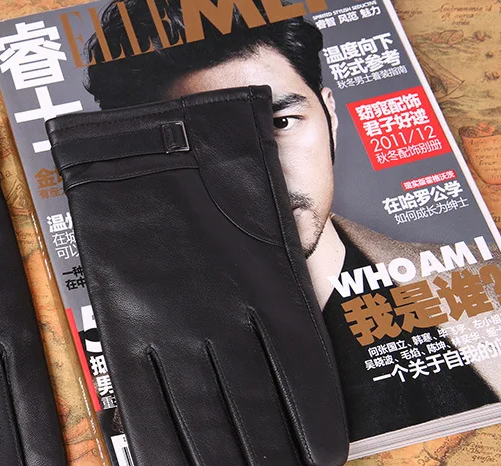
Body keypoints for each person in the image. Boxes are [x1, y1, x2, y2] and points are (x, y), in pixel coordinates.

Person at [83, 0, 499, 440]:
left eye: (281, 122)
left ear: (330, 117)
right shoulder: (144, 368)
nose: (266, 172)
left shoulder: (481, 278)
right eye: (208, 143)